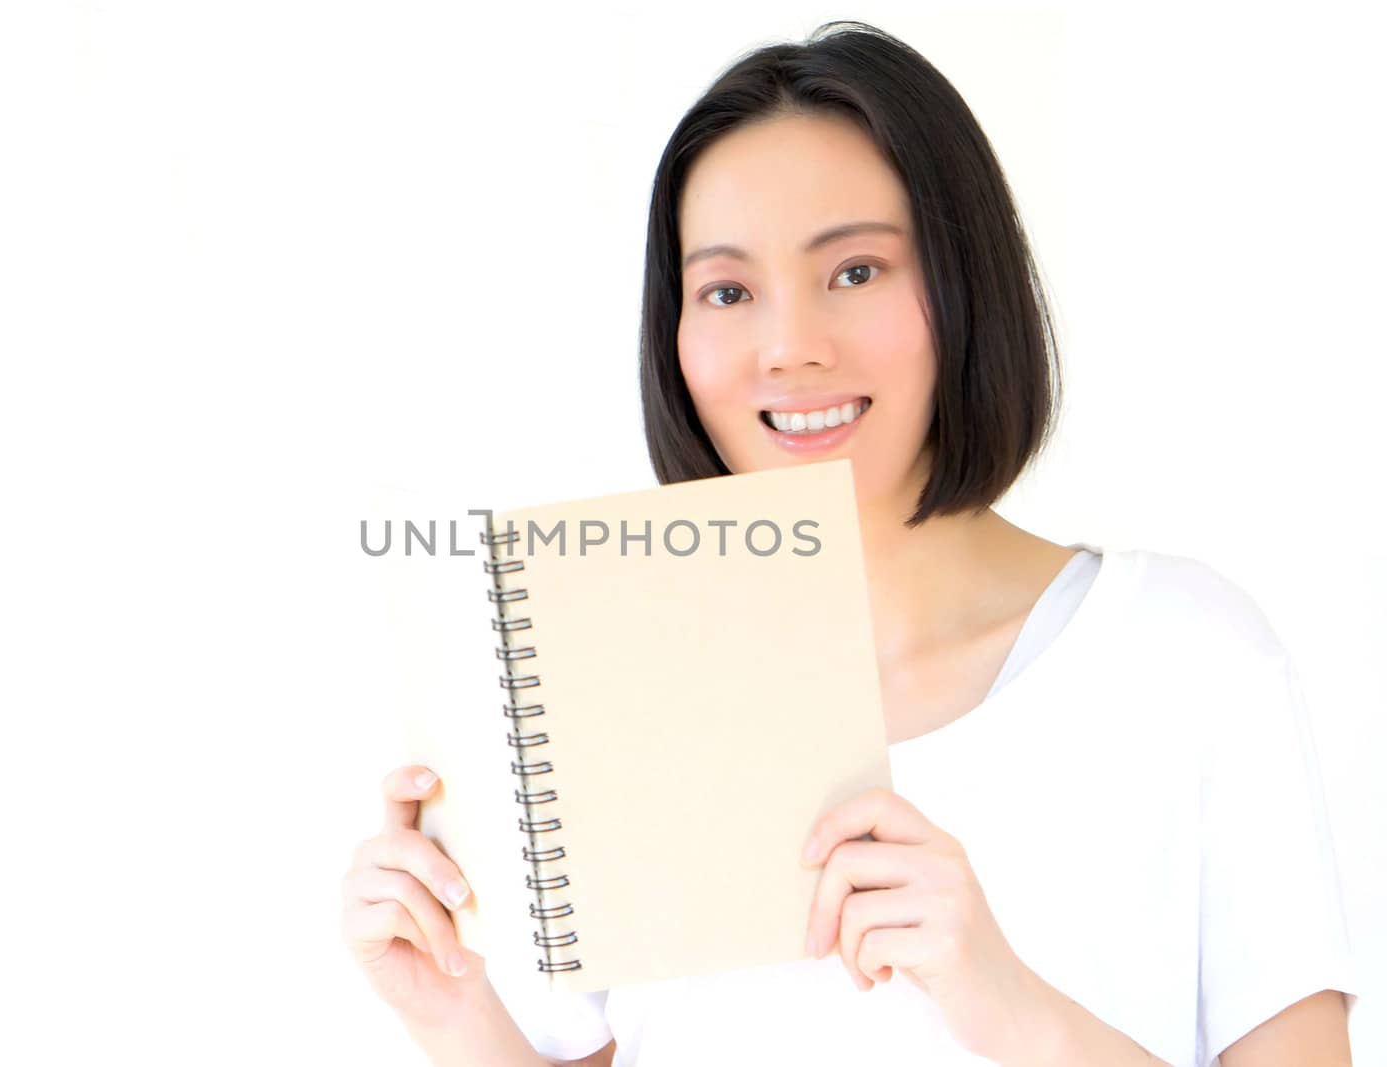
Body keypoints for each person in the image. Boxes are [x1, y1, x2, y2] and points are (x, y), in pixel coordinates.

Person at [339, 20, 1358, 1066]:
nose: (790, 346)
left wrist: (998, 996)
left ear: (965, 284)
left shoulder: (1186, 655)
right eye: (727, 292)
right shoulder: (611, 689)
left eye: (856, 270)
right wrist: (451, 1011)